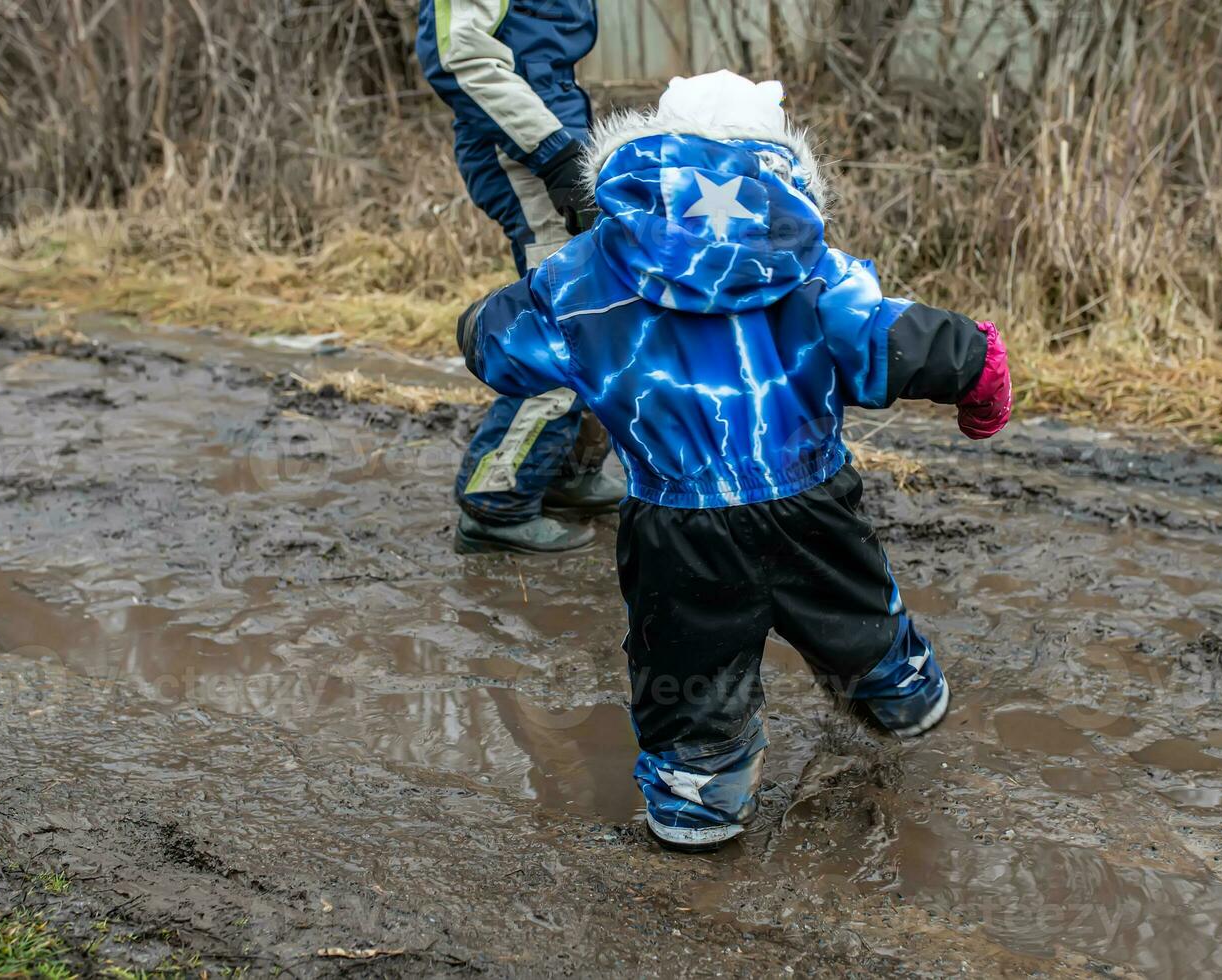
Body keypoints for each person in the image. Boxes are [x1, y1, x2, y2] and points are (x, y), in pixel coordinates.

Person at [455, 70, 1013, 852]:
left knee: (685, 656)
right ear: (777, 163)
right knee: (851, 606)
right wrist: (976, 369)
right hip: (811, 498)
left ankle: (700, 791)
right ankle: (899, 689)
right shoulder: (813, 267)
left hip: (675, 518)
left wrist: (477, 321)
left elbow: (504, 349)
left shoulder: (587, 272)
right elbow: (888, 339)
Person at [415, 0, 624, 554]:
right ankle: (496, 498)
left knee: (600, 310)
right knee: (566, 326)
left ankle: (559, 473)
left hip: (558, 138)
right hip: (525, 152)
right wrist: (552, 151)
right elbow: (458, 54)